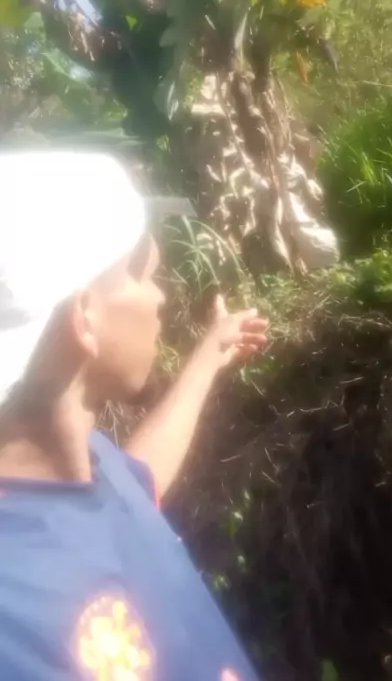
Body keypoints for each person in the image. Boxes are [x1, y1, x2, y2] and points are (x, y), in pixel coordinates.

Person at [0, 150, 269, 681]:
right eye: (142, 273)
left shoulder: (85, 463)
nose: (160, 296)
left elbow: (136, 484)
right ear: (85, 316)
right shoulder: (14, 613)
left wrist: (209, 357)